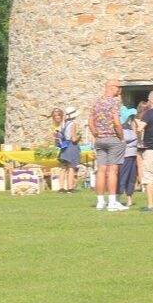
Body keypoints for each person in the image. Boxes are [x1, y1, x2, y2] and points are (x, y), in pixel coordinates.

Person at [88, 80, 127, 211]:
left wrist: (96, 134)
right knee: (112, 170)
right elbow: (117, 122)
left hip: (100, 139)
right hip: (113, 138)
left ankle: (100, 201)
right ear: (111, 87)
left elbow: (90, 121)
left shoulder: (96, 102)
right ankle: (112, 202)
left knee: (101, 170)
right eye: (118, 87)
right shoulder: (114, 103)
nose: (119, 90)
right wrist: (121, 137)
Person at [54, 107, 82, 194]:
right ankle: (70, 188)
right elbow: (73, 139)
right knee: (71, 168)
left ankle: (61, 188)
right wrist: (79, 136)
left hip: (64, 146)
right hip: (71, 146)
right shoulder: (72, 124)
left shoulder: (63, 124)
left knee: (63, 168)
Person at [117, 107, 140, 206]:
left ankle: (129, 198)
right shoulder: (119, 128)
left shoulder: (129, 126)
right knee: (123, 176)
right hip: (124, 156)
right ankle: (117, 198)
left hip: (132, 155)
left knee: (131, 177)